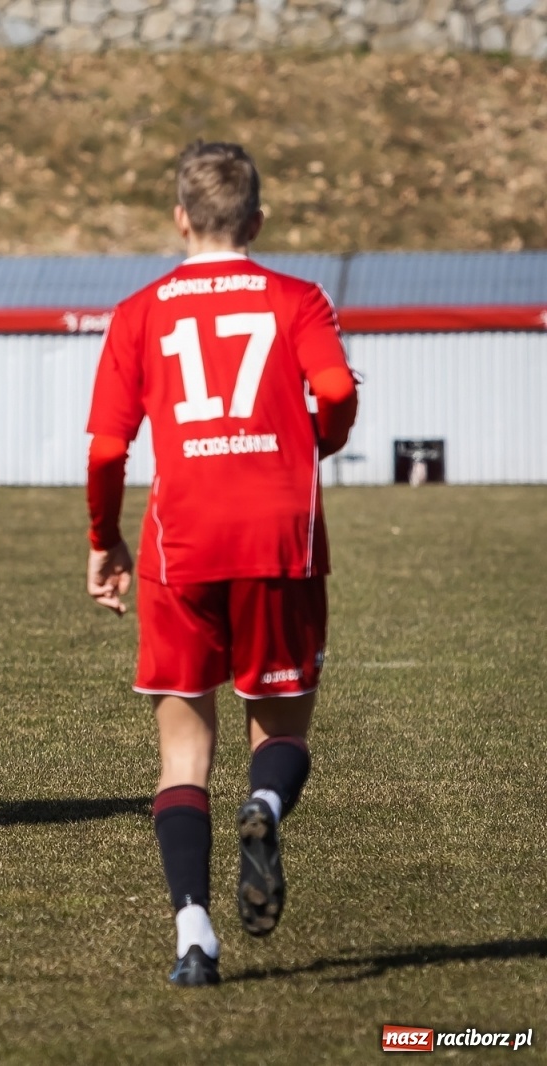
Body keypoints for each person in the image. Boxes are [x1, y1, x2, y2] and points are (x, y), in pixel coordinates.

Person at [83, 143, 358, 986]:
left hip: (182, 539)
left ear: (179, 218)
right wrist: (317, 442)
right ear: (258, 221)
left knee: (183, 750)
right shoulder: (297, 297)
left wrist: (104, 538)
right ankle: (267, 806)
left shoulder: (140, 311)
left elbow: (105, 450)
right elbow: (338, 391)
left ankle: (194, 936)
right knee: (280, 726)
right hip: (282, 532)